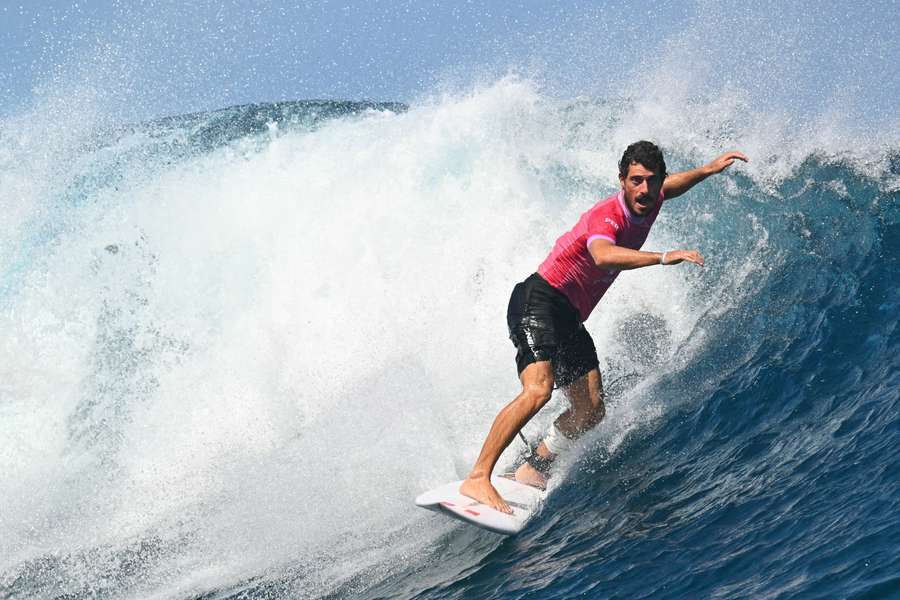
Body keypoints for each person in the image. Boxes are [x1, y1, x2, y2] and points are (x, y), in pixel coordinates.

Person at [460, 141, 748, 514]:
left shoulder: (654, 194)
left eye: (652, 181)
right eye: (636, 181)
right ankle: (478, 477)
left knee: (591, 410)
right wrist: (662, 257)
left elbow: (671, 186)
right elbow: (603, 254)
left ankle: (534, 467)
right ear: (622, 181)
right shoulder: (607, 215)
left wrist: (707, 170)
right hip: (539, 301)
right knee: (538, 391)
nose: (644, 189)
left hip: (569, 317)